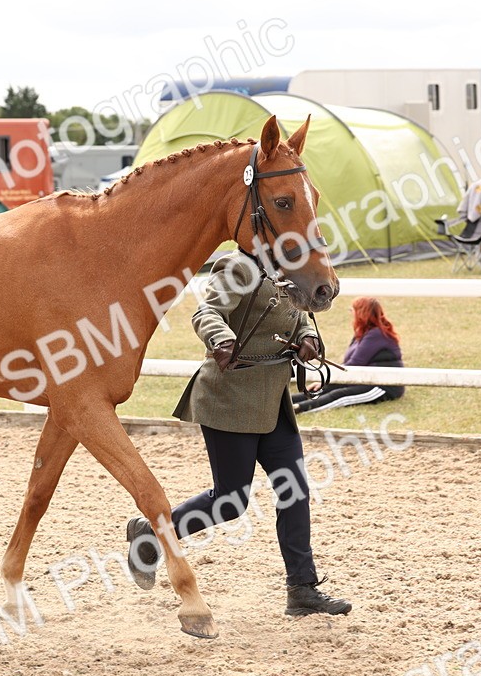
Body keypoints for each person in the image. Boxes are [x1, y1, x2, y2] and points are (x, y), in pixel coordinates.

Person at [124, 251, 351, 617]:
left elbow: (301, 319)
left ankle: (302, 590)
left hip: (273, 401)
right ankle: (151, 535)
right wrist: (221, 339)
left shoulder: (293, 269)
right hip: (229, 398)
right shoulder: (239, 266)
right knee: (230, 501)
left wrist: (309, 337)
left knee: (295, 492)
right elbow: (206, 312)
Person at [293, 297, 405, 413]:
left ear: (361, 313)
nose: (351, 312)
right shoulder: (362, 334)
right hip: (364, 379)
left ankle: (297, 409)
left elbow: (354, 364)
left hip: (383, 386)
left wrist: (328, 381)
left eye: (353, 309)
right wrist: (325, 383)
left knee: (340, 394)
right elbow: (348, 364)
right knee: (326, 388)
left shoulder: (376, 335)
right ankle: (285, 403)